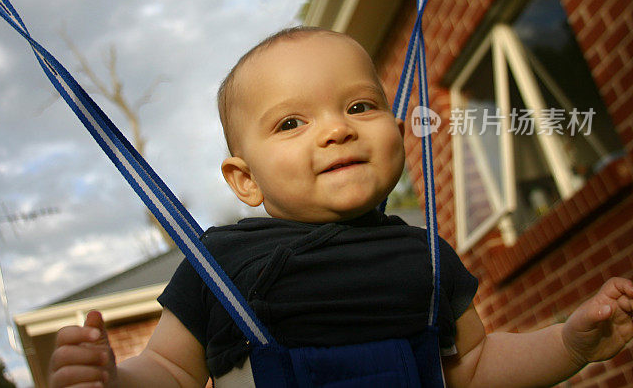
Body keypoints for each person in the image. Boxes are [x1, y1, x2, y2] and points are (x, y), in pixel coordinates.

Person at [49, 27, 633, 388]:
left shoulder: (423, 255)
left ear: (398, 131)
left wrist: (566, 344)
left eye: (359, 106)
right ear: (244, 179)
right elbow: (173, 373)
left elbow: (476, 367)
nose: (335, 131)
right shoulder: (217, 263)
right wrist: (114, 379)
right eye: (292, 122)